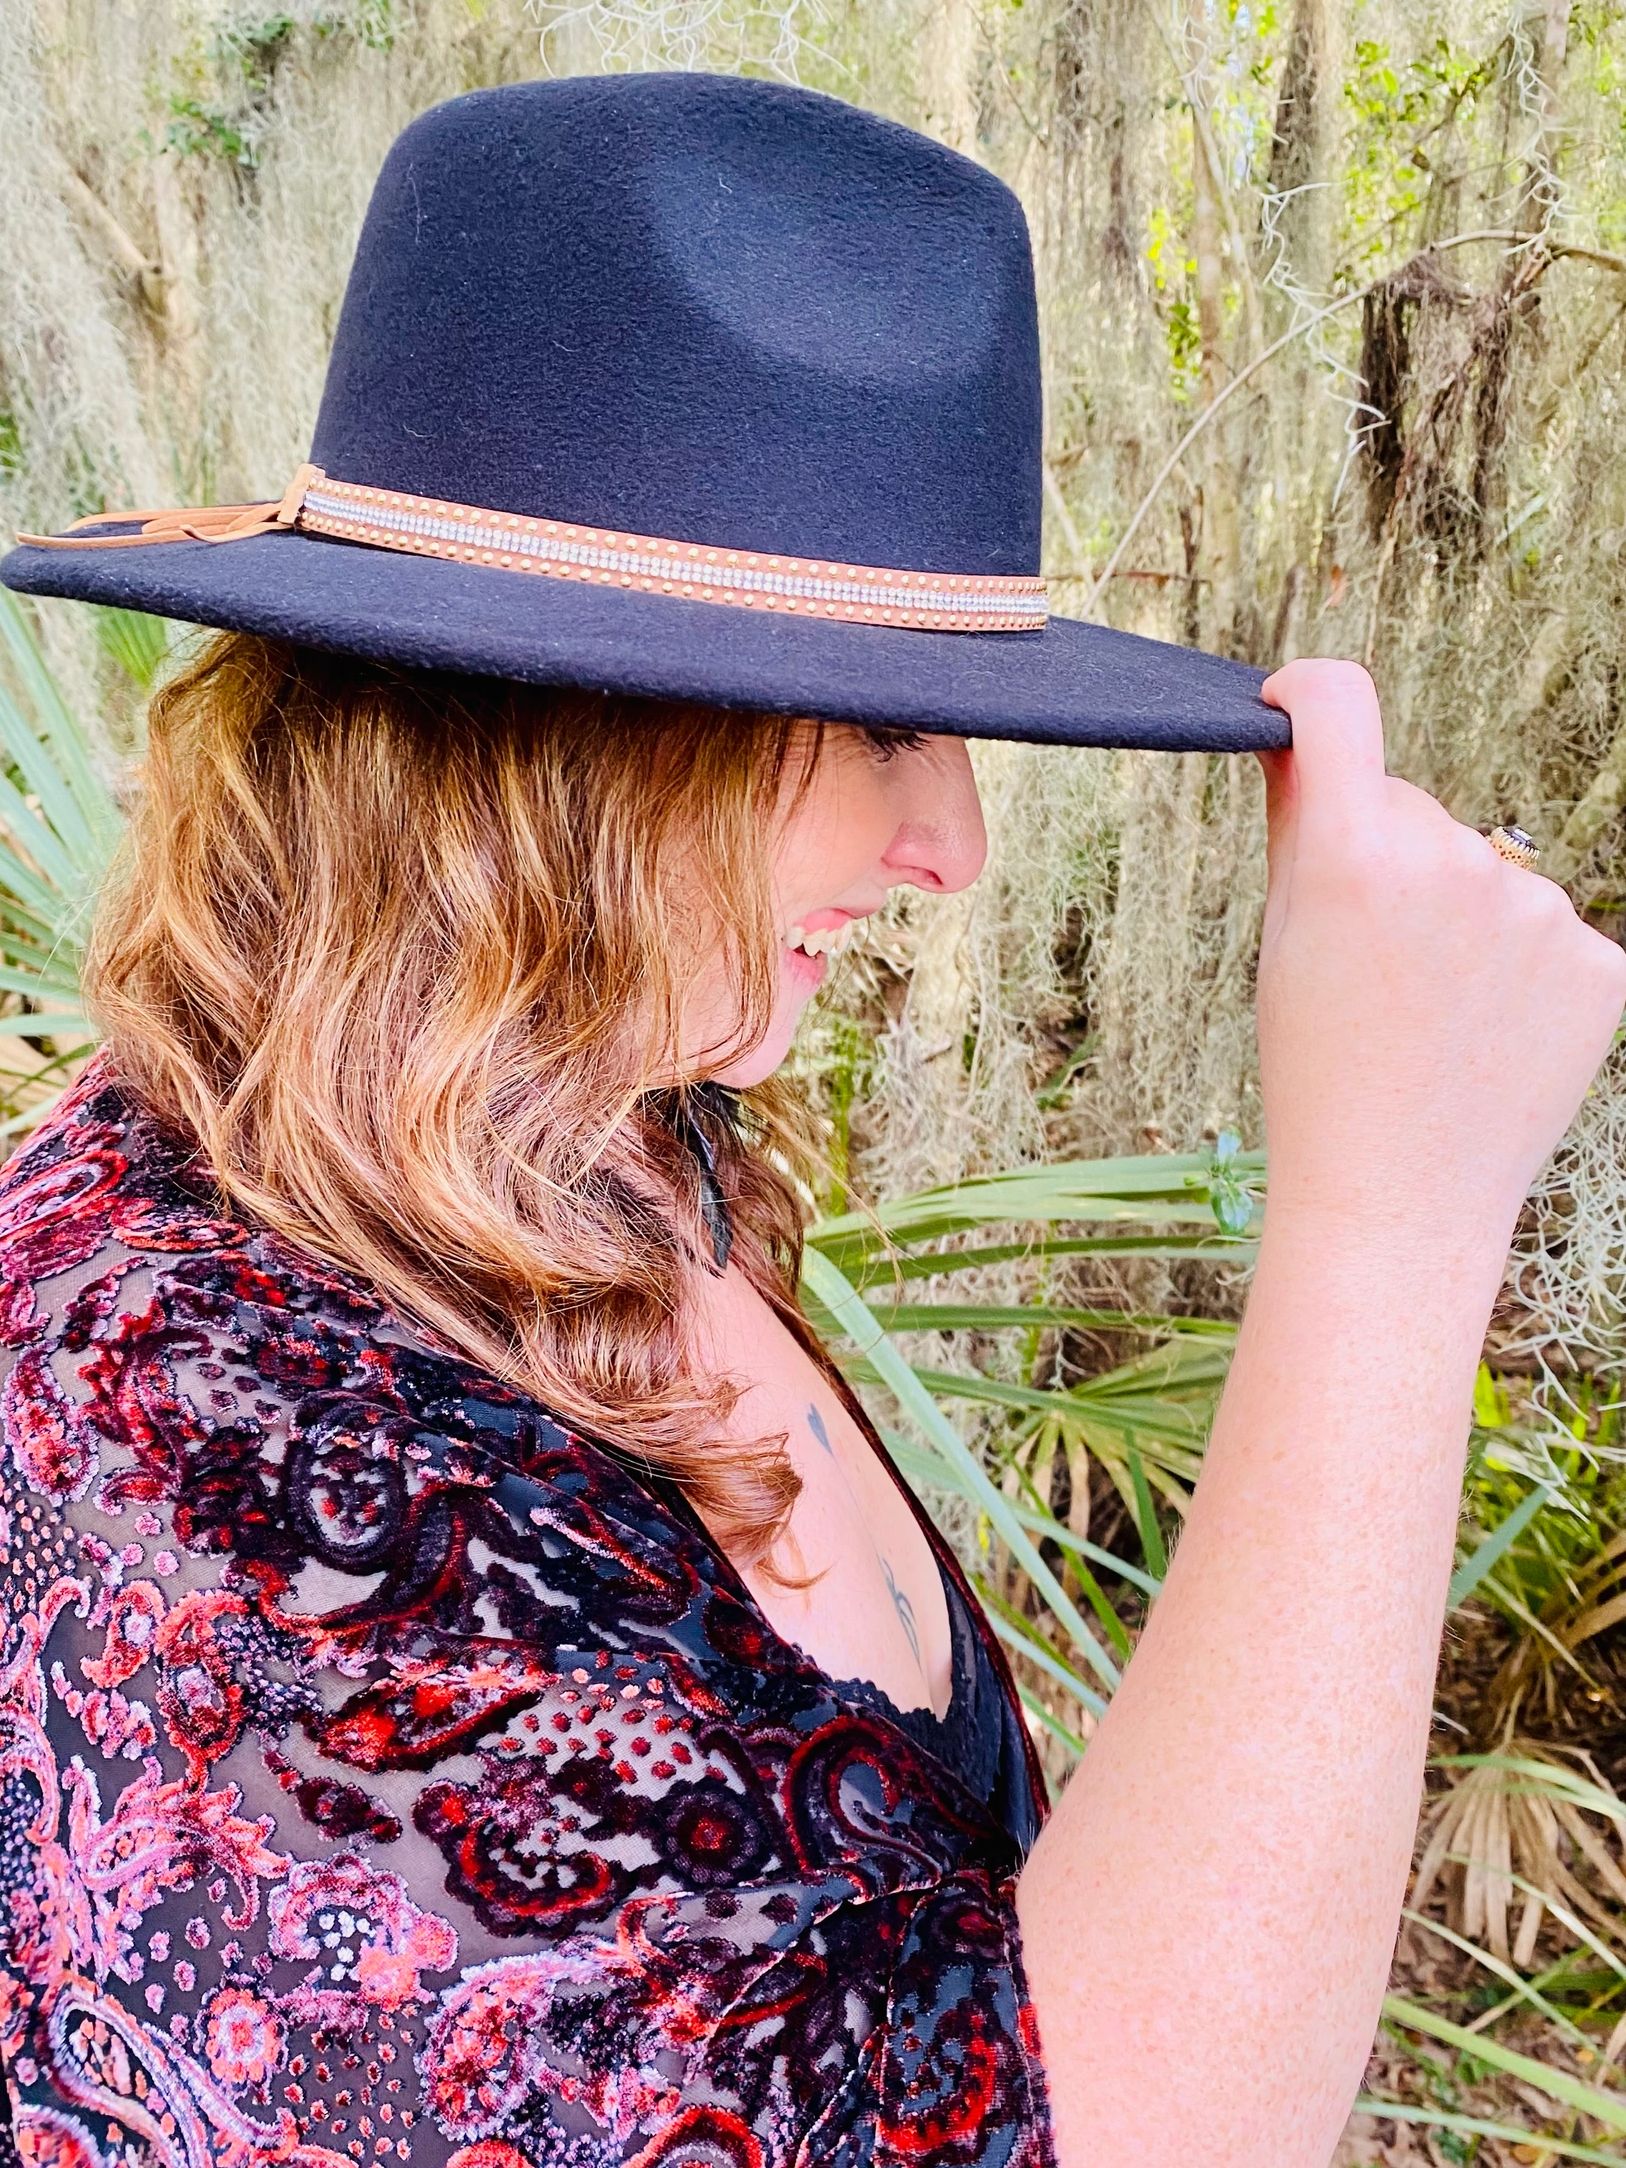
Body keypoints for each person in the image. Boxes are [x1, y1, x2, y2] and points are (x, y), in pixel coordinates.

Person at [0, 68, 1620, 2168]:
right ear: (539, 734)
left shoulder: (603, 1134)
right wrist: (1392, 1226)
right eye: (869, 721)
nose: (947, 840)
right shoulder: (179, 1423)